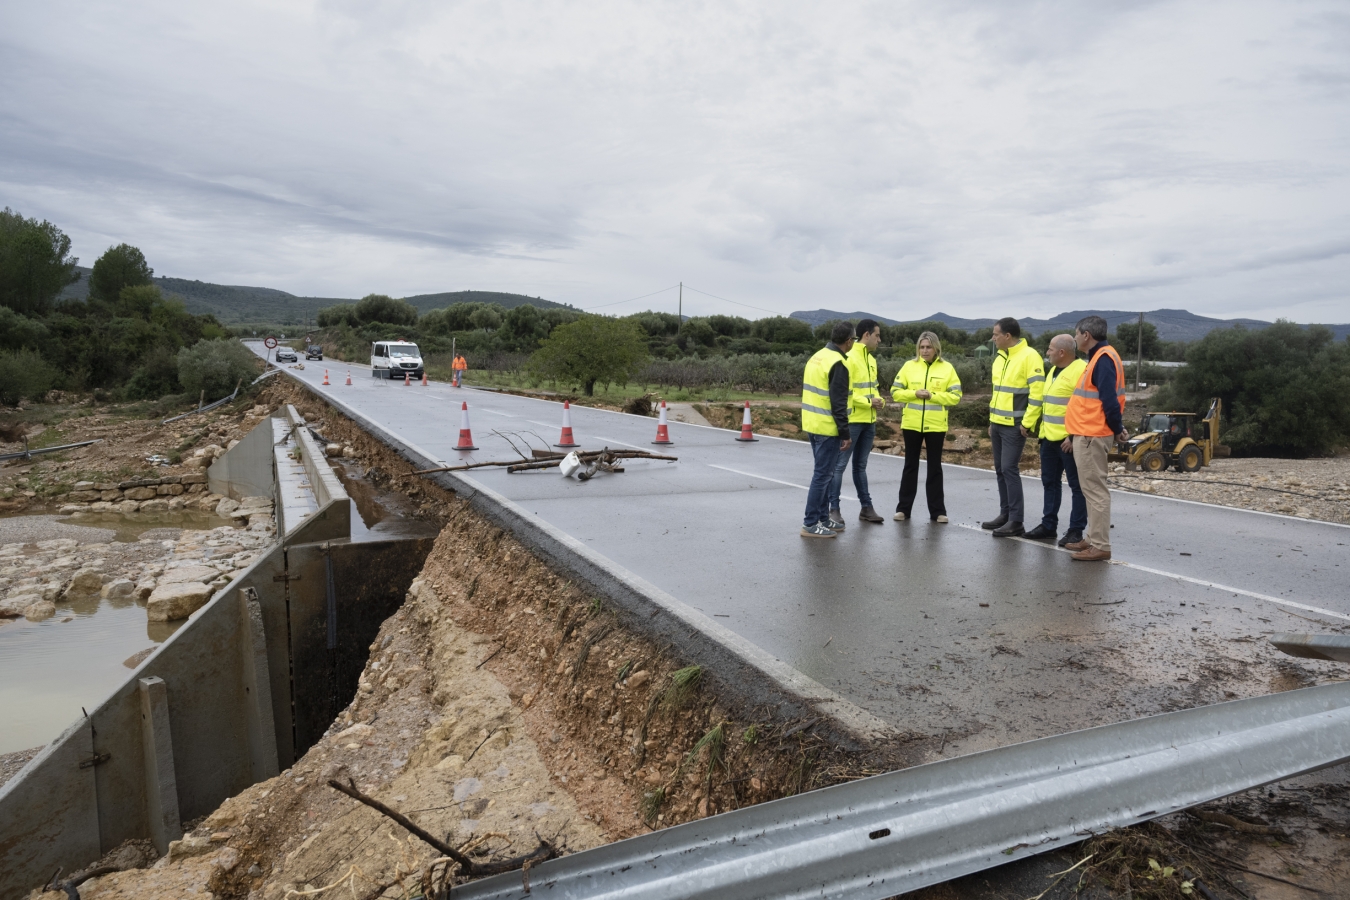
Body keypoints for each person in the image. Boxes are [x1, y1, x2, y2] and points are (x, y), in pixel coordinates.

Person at [1065, 315, 1128, 561]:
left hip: (1093, 434)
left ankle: (1100, 545)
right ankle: (1091, 539)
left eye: (1076, 333)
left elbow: (1109, 401)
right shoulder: (1101, 357)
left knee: (1095, 490)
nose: (1075, 337)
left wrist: (1117, 427)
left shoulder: (1102, 359)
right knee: (1090, 489)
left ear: (1086, 335)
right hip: (1089, 432)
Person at [890, 331, 962, 523]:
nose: (924, 350)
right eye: (921, 347)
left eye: (928, 347)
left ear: (936, 348)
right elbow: (895, 392)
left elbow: (956, 396)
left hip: (936, 426)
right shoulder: (908, 366)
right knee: (910, 466)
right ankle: (903, 510)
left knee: (935, 468)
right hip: (911, 424)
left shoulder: (948, 369)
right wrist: (914, 393)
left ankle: (938, 512)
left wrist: (933, 396)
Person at [982, 317, 1045, 537]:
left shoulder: (1030, 357)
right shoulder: (999, 358)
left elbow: (1037, 394)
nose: (993, 338)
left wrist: (1027, 423)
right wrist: (992, 421)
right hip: (998, 424)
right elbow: (997, 393)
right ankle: (1005, 513)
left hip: (1015, 427)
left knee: (1009, 469)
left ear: (1008, 336)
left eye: (995, 334)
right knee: (1000, 469)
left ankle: (1016, 521)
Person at [1025, 334, 1088, 547]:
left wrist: (1073, 436)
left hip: (1068, 441)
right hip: (1048, 439)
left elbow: (1085, 407)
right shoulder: (1052, 371)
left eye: (1051, 349)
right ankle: (1048, 526)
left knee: (1077, 486)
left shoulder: (1081, 370)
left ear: (1062, 352)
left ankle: (1076, 530)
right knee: (1050, 483)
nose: (1047, 352)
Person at [829, 319, 886, 527]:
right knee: (839, 467)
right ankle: (833, 510)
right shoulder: (849, 358)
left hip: (869, 421)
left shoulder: (871, 360)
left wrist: (881, 402)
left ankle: (866, 508)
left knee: (860, 467)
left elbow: (875, 388)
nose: (879, 340)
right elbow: (847, 394)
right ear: (866, 335)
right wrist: (868, 403)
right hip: (853, 421)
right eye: (877, 335)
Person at [800, 322, 855, 539]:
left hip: (813, 424)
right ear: (849, 341)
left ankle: (822, 519)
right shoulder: (838, 363)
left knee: (823, 474)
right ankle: (810, 523)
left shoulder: (818, 356)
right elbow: (838, 404)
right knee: (822, 476)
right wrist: (845, 433)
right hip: (827, 427)